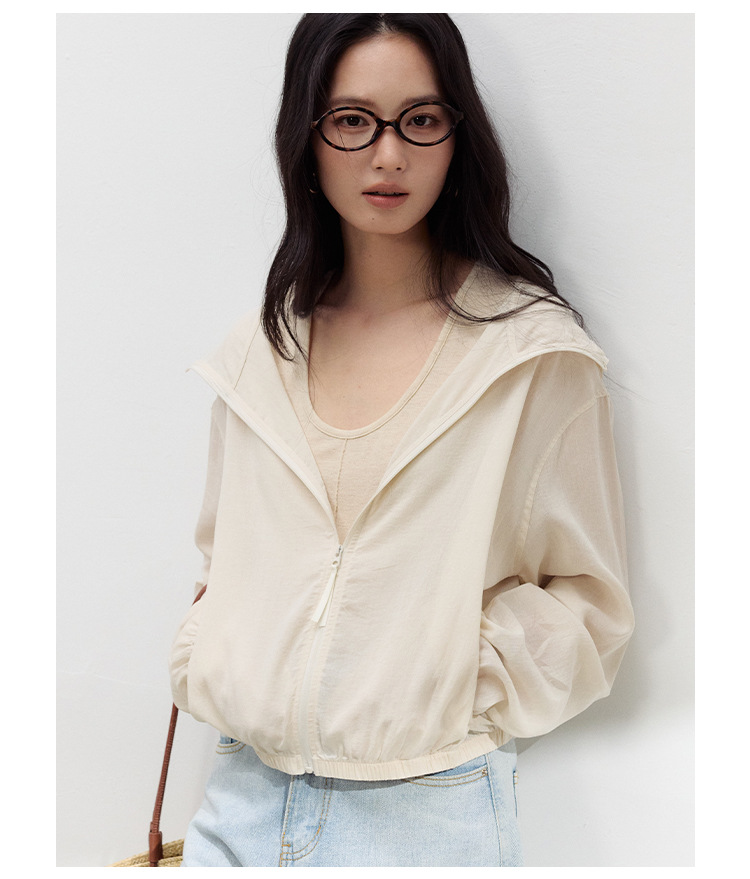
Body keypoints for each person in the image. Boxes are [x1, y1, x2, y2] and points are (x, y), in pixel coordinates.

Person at [169, 13, 635, 868]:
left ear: (458, 136)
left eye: (420, 120)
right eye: (352, 120)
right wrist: (213, 654)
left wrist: (455, 683)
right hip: (239, 797)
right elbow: (221, 560)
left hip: (428, 809)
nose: (388, 155)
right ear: (307, 137)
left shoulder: (528, 354)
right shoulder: (261, 352)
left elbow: (589, 598)